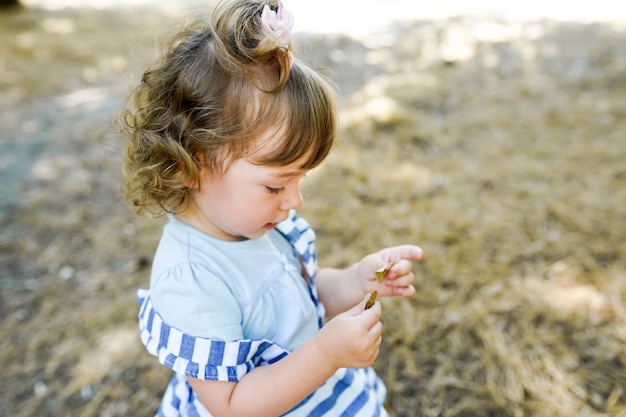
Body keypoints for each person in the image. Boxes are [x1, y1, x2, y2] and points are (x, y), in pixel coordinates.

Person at [120, 0, 423, 415]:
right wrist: (325, 354)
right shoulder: (190, 280)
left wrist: (358, 281)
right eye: (276, 184)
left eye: (300, 179)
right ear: (187, 164)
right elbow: (231, 405)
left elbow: (301, 299)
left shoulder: (256, 224)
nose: (295, 201)